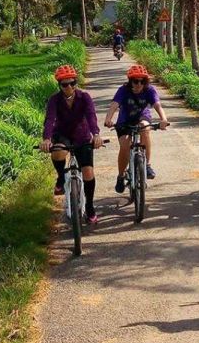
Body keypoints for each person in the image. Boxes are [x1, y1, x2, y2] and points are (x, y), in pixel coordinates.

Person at [40, 64, 104, 224]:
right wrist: (47, 139)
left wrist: (96, 134)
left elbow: (91, 116)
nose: (69, 87)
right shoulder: (54, 100)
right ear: (59, 85)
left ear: (76, 83)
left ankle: (89, 207)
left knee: (88, 172)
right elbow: (50, 119)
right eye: (64, 84)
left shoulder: (85, 97)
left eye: (72, 83)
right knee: (58, 152)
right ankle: (61, 177)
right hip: (62, 135)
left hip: (82, 136)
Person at [104, 64, 170, 193]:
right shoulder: (123, 90)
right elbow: (114, 106)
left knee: (145, 128)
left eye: (142, 81)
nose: (139, 84)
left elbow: (157, 105)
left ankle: (147, 165)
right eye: (136, 81)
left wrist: (163, 119)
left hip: (142, 117)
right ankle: (121, 175)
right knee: (125, 147)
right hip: (125, 120)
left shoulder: (150, 90)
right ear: (130, 81)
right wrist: (108, 119)